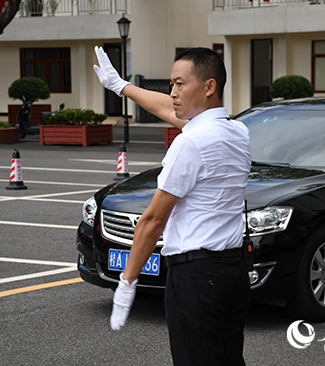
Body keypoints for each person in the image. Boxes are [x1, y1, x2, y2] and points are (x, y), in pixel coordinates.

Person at [93, 46, 252, 366]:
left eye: (180, 84)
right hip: (233, 274)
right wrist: (121, 85)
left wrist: (127, 282)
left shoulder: (190, 143)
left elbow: (152, 220)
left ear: (209, 87)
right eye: (171, 84)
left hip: (196, 277)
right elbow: (172, 110)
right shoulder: (238, 131)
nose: (172, 92)